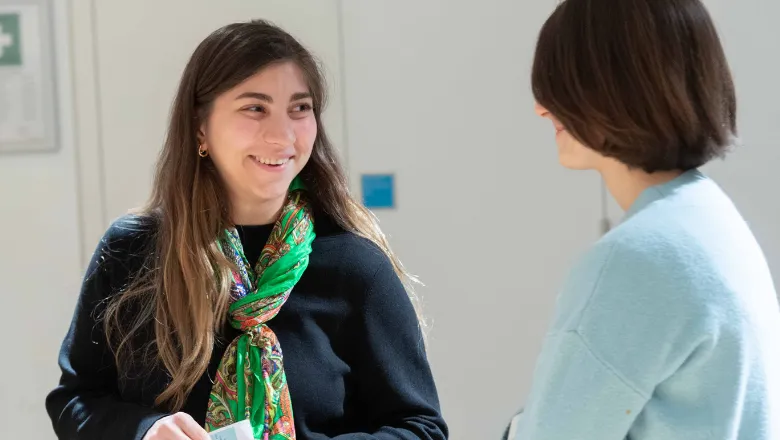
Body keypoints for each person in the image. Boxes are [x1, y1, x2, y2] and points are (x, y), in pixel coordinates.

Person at [46, 20, 447, 440]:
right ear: (200, 126)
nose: (282, 135)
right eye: (255, 108)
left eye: (300, 108)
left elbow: (420, 428)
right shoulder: (133, 251)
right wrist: (146, 431)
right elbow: (75, 400)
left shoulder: (355, 265)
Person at [518, 0, 780, 438]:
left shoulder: (637, 257)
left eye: (558, 86)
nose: (541, 109)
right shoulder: (711, 220)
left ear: (612, 87)